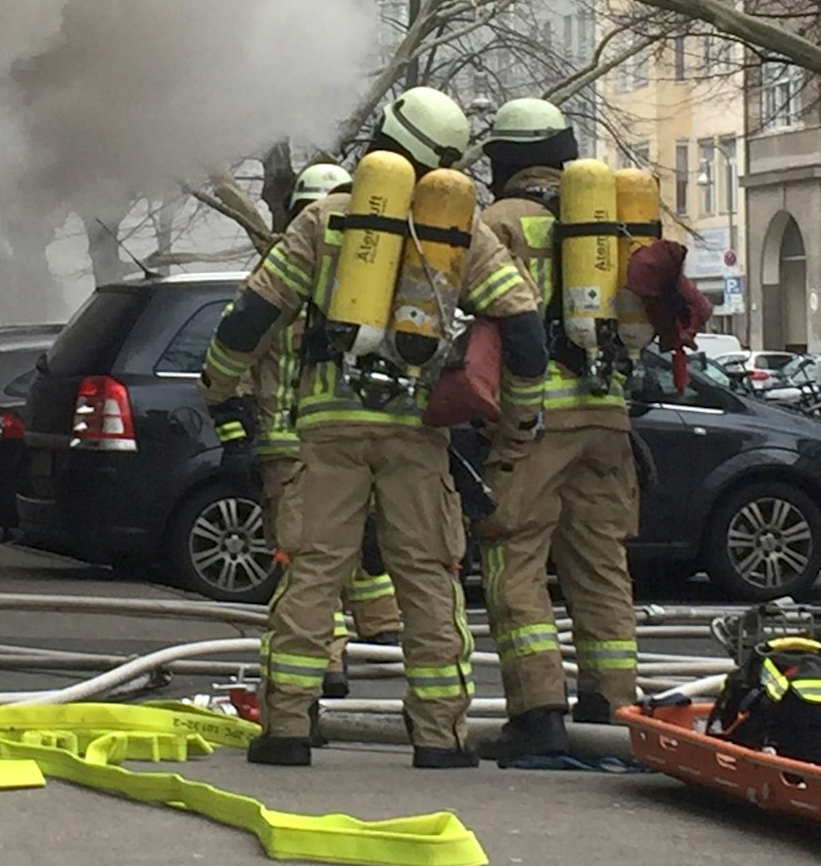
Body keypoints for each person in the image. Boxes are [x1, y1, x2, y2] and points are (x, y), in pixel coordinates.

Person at [200, 87, 548, 768]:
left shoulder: (326, 218)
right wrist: (519, 423)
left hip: (327, 427)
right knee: (427, 576)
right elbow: (525, 330)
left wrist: (219, 390)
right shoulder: (462, 232)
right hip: (417, 432)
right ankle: (440, 737)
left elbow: (251, 315)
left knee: (312, 572)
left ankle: (288, 729)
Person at [472, 97, 643, 762]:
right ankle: (613, 716)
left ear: (504, 162)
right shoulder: (605, 220)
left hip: (535, 421)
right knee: (601, 566)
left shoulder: (499, 222)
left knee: (514, 557)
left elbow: (473, 319)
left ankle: (539, 715)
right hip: (608, 417)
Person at [245, 161, 401, 700]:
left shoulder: (280, 273)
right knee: (356, 538)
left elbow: (241, 342)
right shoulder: (358, 281)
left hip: (288, 440)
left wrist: (229, 420)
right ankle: (381, 625)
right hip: (349, 432)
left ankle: (326, 658)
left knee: (307, 555)